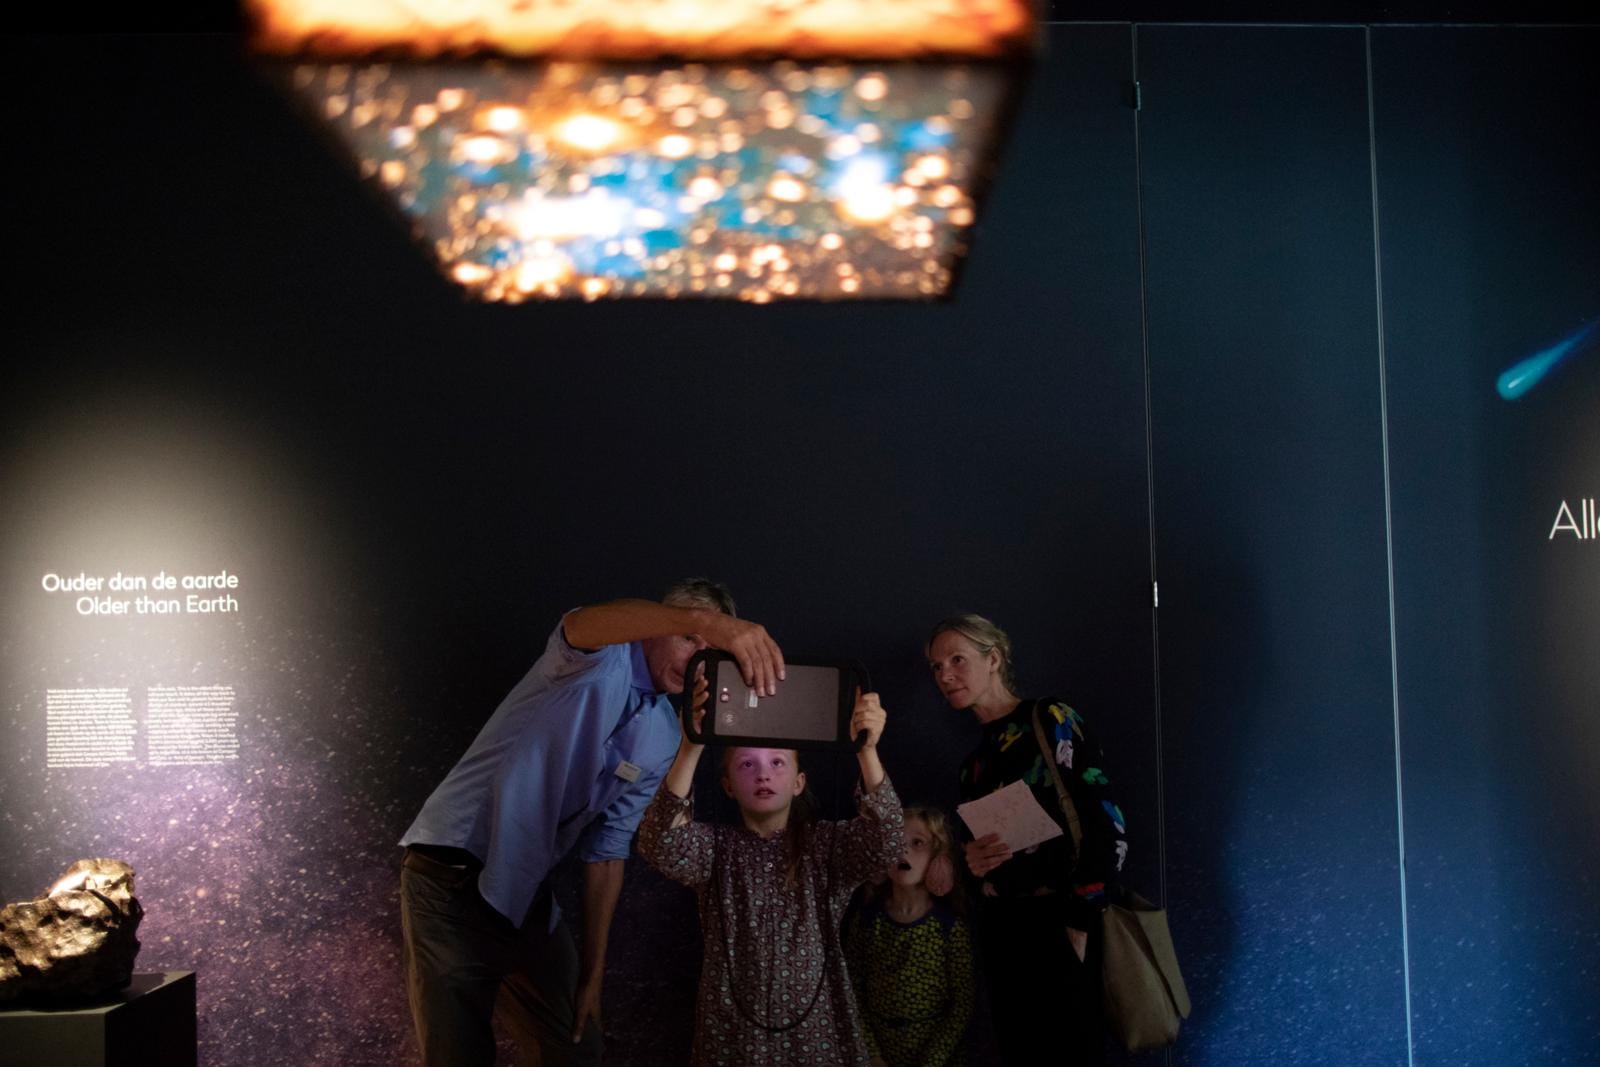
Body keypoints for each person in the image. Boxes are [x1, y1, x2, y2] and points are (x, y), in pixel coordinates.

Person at [397, 579, 785, 1067]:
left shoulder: (664, 735)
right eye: (687, 639)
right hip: (451, 876)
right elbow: (579, 623)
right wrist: (706, 622)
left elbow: (608, 849)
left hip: (524, 894)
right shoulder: (600, 655)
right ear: (656, 626)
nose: (696, 659)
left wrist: (592, 974)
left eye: (710, 653)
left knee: (578, 1049)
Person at [635, 684, 904, 1066]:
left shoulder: (826, 846)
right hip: (733, 1038)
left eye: (777, 763)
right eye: (747, 764)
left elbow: (887, 841)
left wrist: (866, 749)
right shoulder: (716, 849)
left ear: (798, 782)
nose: (763, 774)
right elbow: (659, 842)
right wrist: (691, 746)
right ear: (728, 785)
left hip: (817, 1034)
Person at [927, 613, 1128, 1066]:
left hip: (1062, 917)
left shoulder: (1050, 718)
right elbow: (976, 862)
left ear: (993, 658)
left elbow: (1107, 825)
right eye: (936, 667)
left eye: (957, 659)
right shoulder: (973, 765)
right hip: (1004, 929)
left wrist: (1079, 923)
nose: (945, 675)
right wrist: (971, 861)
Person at [844, 805, 975, 1067]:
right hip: (879, 1052)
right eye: (895, 840)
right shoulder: (867, 920)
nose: (903, 851)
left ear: (937, 854)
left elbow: (962, 1003)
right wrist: (873, 1054)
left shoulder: (949, 926)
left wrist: (931, 1061)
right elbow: (852, 989)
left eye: (917, 843)